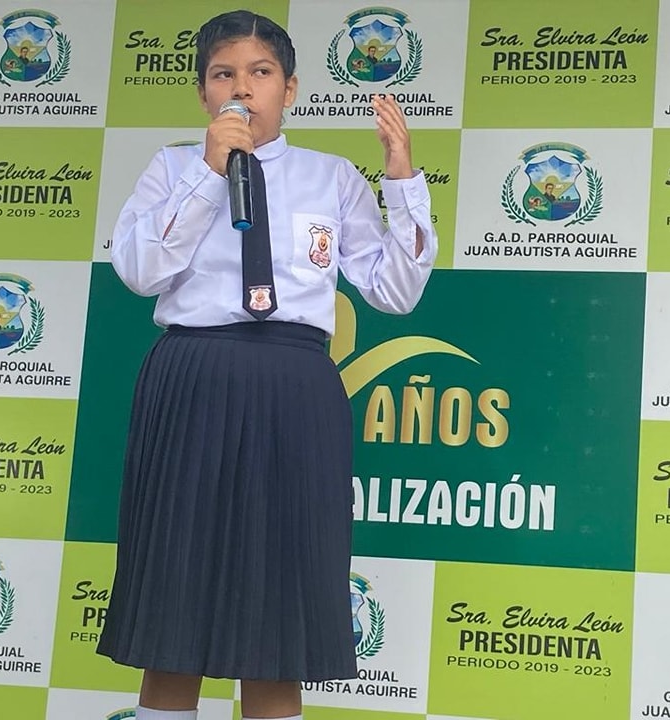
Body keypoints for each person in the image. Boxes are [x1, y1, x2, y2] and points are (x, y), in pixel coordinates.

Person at [96, 10, 436, 720]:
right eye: (224, 74)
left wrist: (402, 181)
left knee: (281, 607)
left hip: (294, 384)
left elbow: (395, 291)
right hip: (193, 377)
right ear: (203, 93)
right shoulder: (171, 168)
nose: (242, 88)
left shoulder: (331, 177)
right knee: (176, 601)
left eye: (260, 72)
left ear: (290, 88)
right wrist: (208, 173)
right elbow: (139, 271)